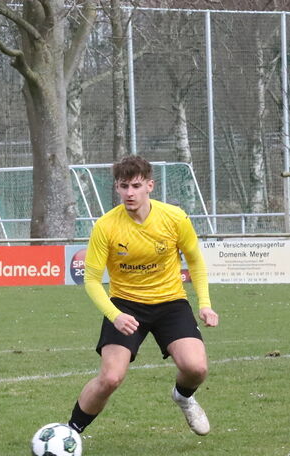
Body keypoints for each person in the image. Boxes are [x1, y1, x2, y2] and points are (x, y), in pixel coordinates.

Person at [66, 155, 217, 439]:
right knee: (111, 378)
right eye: (123, 186)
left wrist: (205, 305)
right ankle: (70, 433)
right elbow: (92, 281)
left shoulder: (174, 218)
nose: (129, 193)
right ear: (117, 188)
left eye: (135, 186)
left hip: (170, 302)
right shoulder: (106, 226)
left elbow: (195, 261)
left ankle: (183, 396)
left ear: (150, 185)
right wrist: (115, 314)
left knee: (196, 368)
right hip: (125, 305)